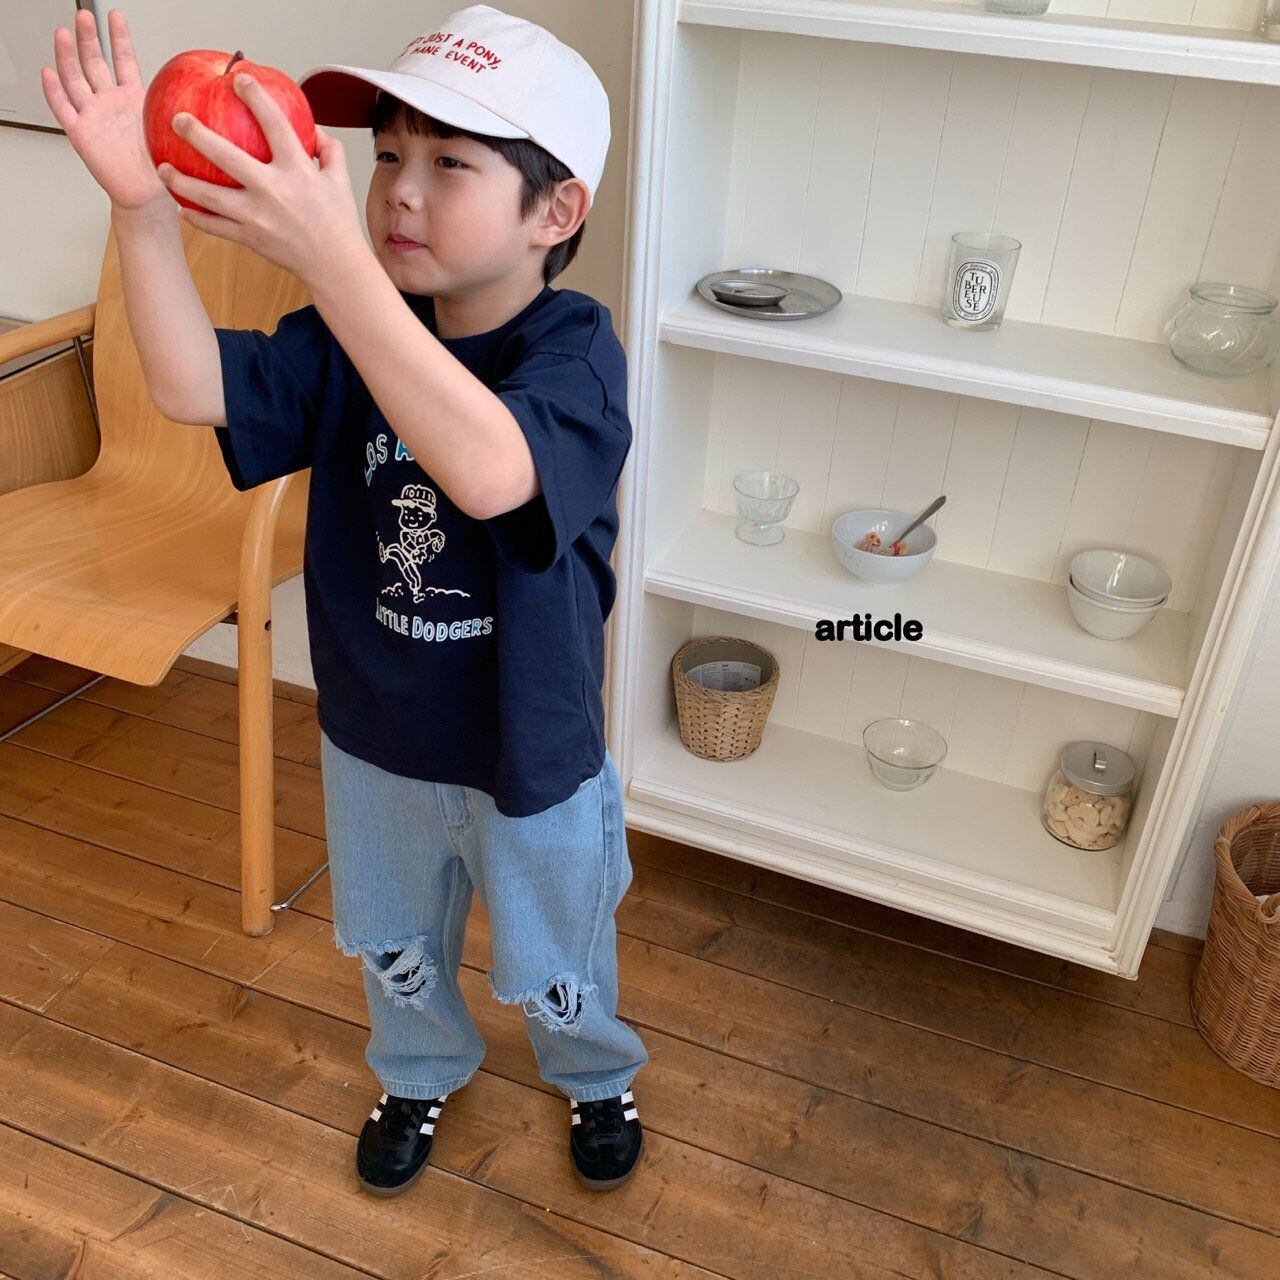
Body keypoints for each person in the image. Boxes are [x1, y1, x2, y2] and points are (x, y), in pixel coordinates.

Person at [43, 3, 648, 1196]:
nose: (399, 192)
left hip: (530, 744)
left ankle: (593, 1072)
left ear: (555, 211)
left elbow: (490, 472)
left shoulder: (577, 352)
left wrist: (335, 264)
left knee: (559, 942)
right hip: (376, 736)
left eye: (449, 163)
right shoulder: (344, 331)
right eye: (386, 156)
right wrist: (141, 211)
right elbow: (190, 384)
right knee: (394, 942)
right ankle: (418, 1067)